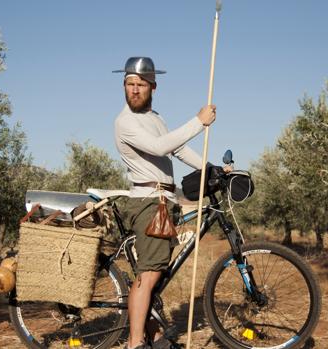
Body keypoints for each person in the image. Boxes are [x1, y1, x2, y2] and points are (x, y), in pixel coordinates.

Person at [113, 57, 217, 349]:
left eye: (140, 85)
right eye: (130, 84)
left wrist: (210, 169)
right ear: (124, 85)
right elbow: (160, 147)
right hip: (149, 202)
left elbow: (178, 148)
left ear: (152, 87)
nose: (134, 90)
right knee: (148, 276)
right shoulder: (125, 122)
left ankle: (155, 336)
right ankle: (135, 343)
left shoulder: (154, 118)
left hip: (163, 199)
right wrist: (198, 121)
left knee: (153, 273)